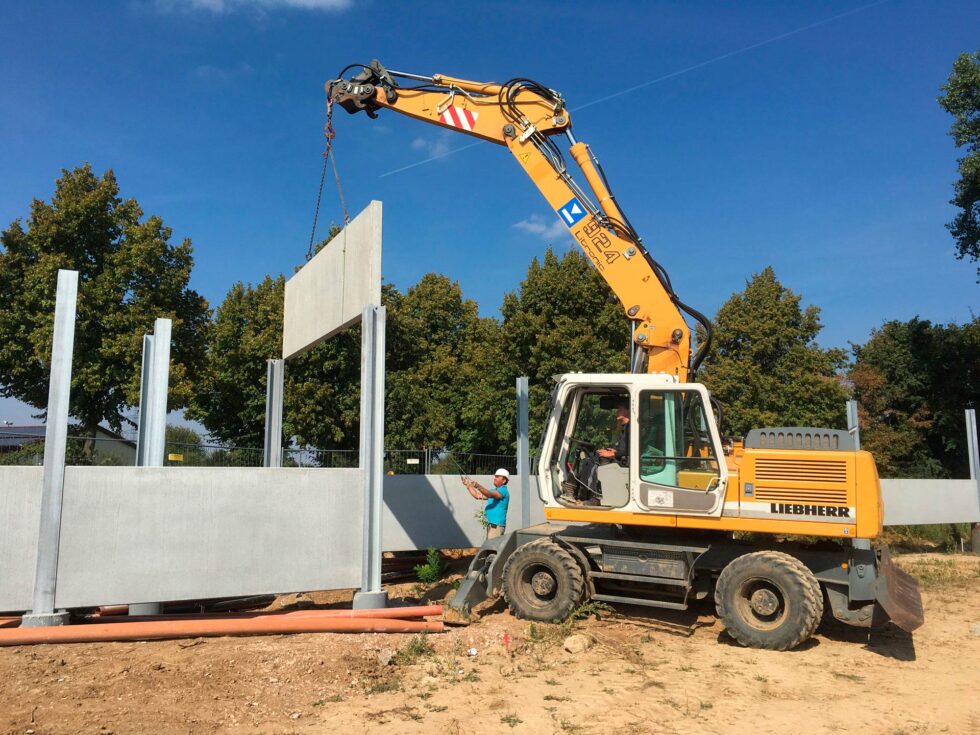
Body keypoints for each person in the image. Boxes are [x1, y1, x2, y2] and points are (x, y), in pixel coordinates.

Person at [462, 468, 510, 539]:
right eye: (495, 476)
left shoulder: (503, 491)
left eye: (497, 477)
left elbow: (490, 495)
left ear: (504, 480)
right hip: (492, 526)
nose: (495, 478)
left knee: (492, 549)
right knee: (490, 548)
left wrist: (478, 486)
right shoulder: (493, 491)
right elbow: (477, 495)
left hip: (496, 526)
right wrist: (467, 485)